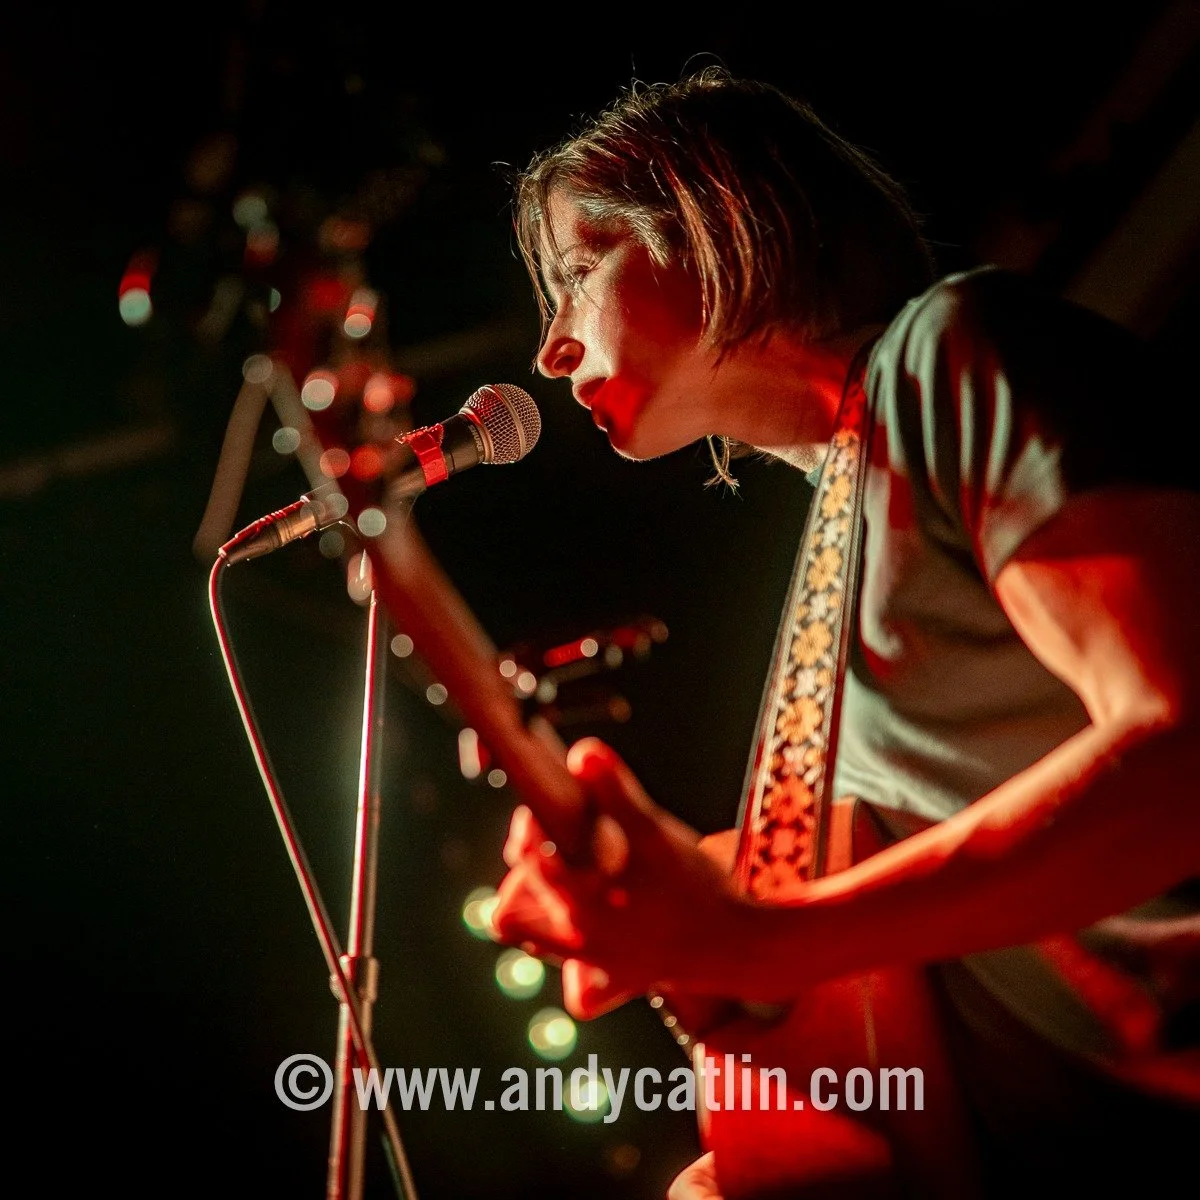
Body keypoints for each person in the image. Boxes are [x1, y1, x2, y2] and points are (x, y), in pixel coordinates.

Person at [489, 67, 1200, 1198]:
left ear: (713, 216)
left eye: (579, 270)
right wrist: (684, 904)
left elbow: (1183, 749)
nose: (550, 348)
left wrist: (763, 942)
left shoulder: (953, 350)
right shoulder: (842, 523)